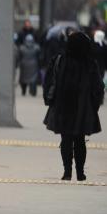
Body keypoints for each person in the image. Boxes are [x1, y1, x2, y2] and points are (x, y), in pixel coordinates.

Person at [43, 32, 104, 181]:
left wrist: (49, 99)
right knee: (80, 140)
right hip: (83, 109)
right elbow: (98, 87)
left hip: (62, 106)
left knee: (66, 139)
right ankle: (80, 172)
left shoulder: (59, 60)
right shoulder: (90, 63)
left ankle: (67, 171)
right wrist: (94, 105)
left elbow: (48, 81)